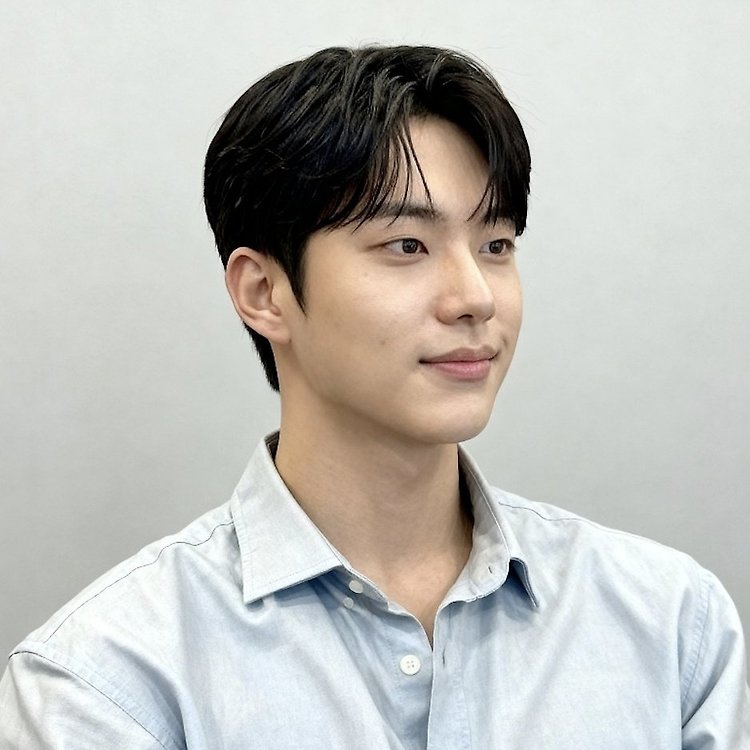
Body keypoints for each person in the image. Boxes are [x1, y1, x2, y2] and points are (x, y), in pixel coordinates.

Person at [1, 45, 748, 749]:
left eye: (495, 245)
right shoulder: (108, 680)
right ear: (263, 292)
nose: (475, 297)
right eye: (406, 246)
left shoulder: (672, 624)